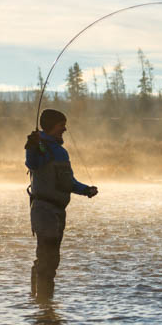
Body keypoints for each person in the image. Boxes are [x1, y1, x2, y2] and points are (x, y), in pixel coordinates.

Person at [25, 109, 98, 299]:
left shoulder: (61, 152)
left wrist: (86, 190)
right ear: (51, 127)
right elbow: (32, 164)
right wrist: (31, 147)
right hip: (43, 211)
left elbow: (68, 182)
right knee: (47, 258)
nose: (64, 129)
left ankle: (42, 303)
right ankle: (43, 303)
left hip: (58, 212)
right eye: (61, 125)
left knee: (52, 259)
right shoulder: (38, 147)